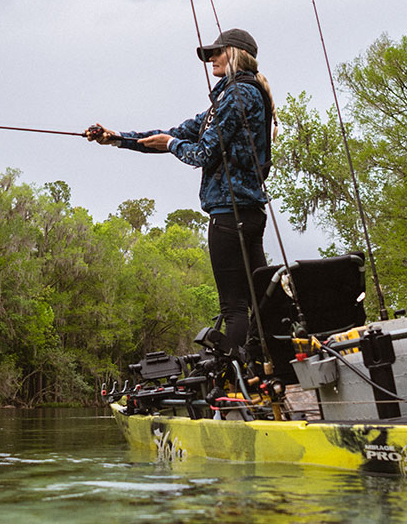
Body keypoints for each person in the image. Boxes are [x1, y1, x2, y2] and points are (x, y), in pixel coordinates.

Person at [86, 28, 276, 357]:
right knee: (258, 304)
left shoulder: (237, 95)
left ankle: (236, 386)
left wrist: (172, 145)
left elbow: (200, 153)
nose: (211, 59)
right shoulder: (234, 97)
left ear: (235, 53)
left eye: (216, 52)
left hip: (229, 216)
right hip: (249, 215)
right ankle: (263, 374)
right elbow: (176, 133)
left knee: (234, 308)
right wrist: (116, 137)